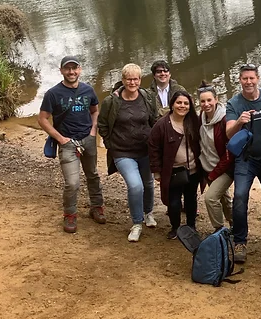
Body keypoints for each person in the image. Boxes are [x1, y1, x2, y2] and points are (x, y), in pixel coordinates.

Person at [38, 56, 104, 233]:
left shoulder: (88, 90)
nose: (71, 72)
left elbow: (95, 111)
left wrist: (93, 132)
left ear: (80, 70)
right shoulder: (53, 93)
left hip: (88, 140)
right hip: (67, 143)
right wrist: (59, 138)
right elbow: (42, 119)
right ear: (61, 71)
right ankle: (70, 215)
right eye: (67, 69)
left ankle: (97, 207)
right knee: (72, 183)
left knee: (93, 174)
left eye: (74, 68)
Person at [226, 63, 261, 263]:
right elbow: (228, 133)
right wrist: (240, 122)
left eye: (251, 78)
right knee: (240, 196)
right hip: (245, 159)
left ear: (258, 78)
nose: (248, 82)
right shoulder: (234, 103)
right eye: (244, 79)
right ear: (239, 80)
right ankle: (240, 240)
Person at [97, 63, 160, 242]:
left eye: (135, 79)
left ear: (140, 80)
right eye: (128, 79)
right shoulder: (111, 101)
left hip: (146, 150)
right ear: (123, 80)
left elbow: (154, 120)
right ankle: (136, 223)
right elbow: (102, 124)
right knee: (135, 185)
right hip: (122, 152)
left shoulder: (148, 97)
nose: (132, 82)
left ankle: (148, 213)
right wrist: (111, 144)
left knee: (148, 183)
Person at [149, 91, 202, 240]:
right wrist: (156, 171)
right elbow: (153, 147)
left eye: (186, 103)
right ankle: (175, 228)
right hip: (172, 171)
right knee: (173, 202)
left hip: (193, 169)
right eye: (179, 103)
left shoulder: (194, 121)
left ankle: (191, 226)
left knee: (191, 198)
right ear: (172, 104)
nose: (182, 106)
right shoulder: (162, 125)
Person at [198, 81, 234, 230]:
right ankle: (235, 225)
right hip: (208, 167)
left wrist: (213, 175)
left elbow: (229, 155)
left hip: (224, 169)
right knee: (225, 199)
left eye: (209, 100)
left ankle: (220, 231)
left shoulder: (225, 120)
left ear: (216, 100)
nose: (206, 104)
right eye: (202, 101)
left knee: (211, 198)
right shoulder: (200, 117)